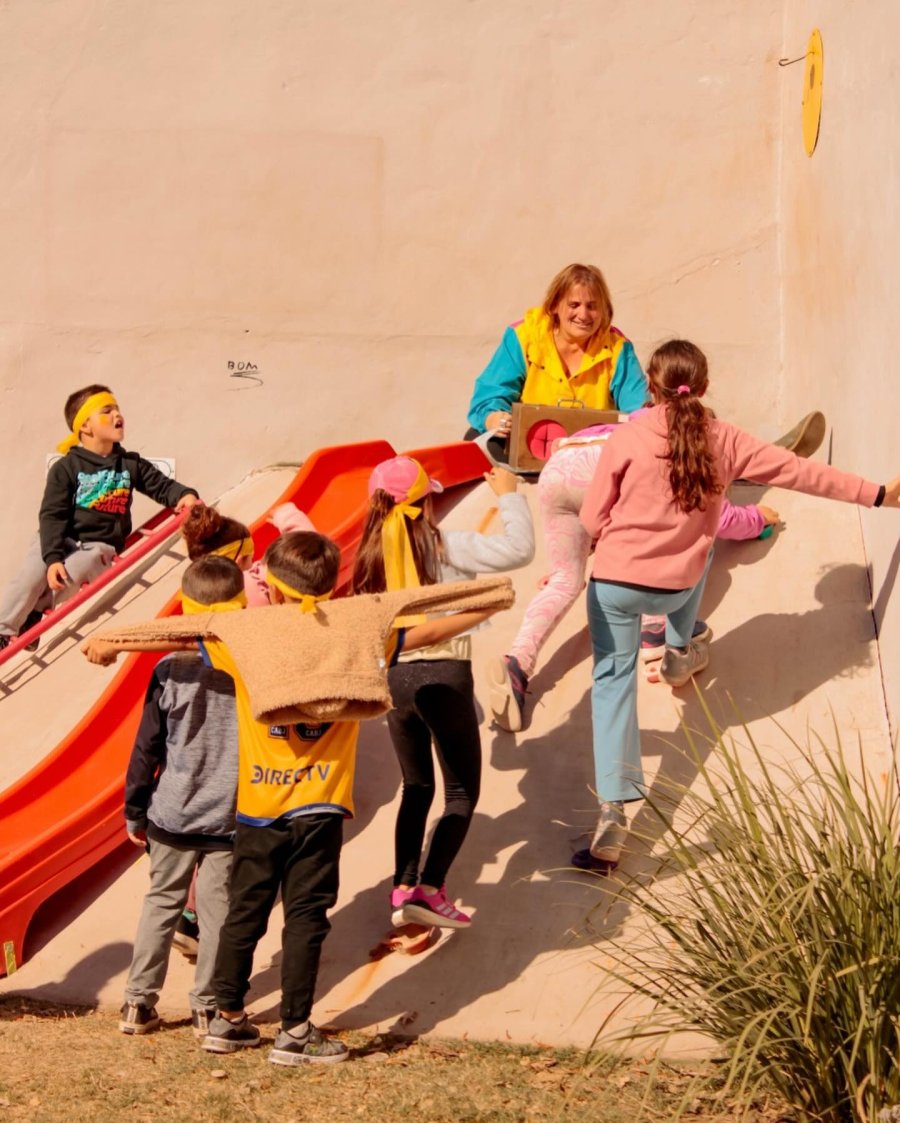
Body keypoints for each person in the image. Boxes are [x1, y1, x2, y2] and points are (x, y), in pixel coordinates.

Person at [83, 531, 510, 1065]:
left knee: (243, 912)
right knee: (307, 915)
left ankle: (227, 1018)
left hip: (258, 807)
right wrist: (487, 606)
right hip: (321, 805)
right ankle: (295, 1031)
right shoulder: (358, 631)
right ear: (334, 582)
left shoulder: (245, 635)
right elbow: (426, 632)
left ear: (275, 588)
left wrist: (112, 642)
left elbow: (177, 634)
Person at [574, 339, 900, 873]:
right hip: (676, 585)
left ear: (650, 388)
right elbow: (801, 472)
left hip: (614, 583)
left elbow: (591, 520)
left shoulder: (626, 438)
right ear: (703, 387)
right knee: (694, 559)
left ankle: (613, 808)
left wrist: (612, 538)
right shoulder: (725, 439)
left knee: (613, 683)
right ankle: (679, 650)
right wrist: (878, 494)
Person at [487, 426, 779, 732]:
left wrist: (578, 550)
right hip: (609, 474)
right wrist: (758, 519)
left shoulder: (637, 421)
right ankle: (655, 629)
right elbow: (721, 519)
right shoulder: (688, 451)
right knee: (679, 532)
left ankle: (516, 665)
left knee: (565, 579)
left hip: (560, 467)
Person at [352, 456, 534, 929]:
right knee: (459, 793)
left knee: (416, 787)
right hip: (445, 676)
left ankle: (401, 888)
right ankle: (430, 890)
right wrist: (510, 495)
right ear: (426, 503)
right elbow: (519, 550)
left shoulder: (369, 556)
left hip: (395, 681)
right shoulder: (447, 546)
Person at [119, 556, 243, 1038]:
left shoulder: (169, 667)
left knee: (160, 903)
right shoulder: (250, 669)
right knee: (217, 914)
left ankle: (137, 1003)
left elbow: (146, 745)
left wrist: (135, 808)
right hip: (229, 815)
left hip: (170, 811)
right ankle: (207, 1008)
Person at [0, 384, 199, 651]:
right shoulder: (66, 468)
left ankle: (33, 616)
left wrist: (185, 495)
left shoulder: (130, 464)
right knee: (32, 573)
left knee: (79, 571)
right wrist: (52, 557)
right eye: (107, 411)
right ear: (85, 426)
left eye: (117, 409)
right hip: (61, 538)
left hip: (99, 545)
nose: (118, 415)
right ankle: (4, 629)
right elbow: (52, 515)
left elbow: (161, 486)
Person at [464, 264, 648, 463]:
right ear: (554, 306)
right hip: (529, 450)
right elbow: (491, 394)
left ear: (604, 310)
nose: (583, 315)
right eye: (574, 305)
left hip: (591, 458)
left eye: (592, 306)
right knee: (476, 439)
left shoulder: (618, 348)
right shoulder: (524, 336)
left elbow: (638, 411)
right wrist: (494, 418)